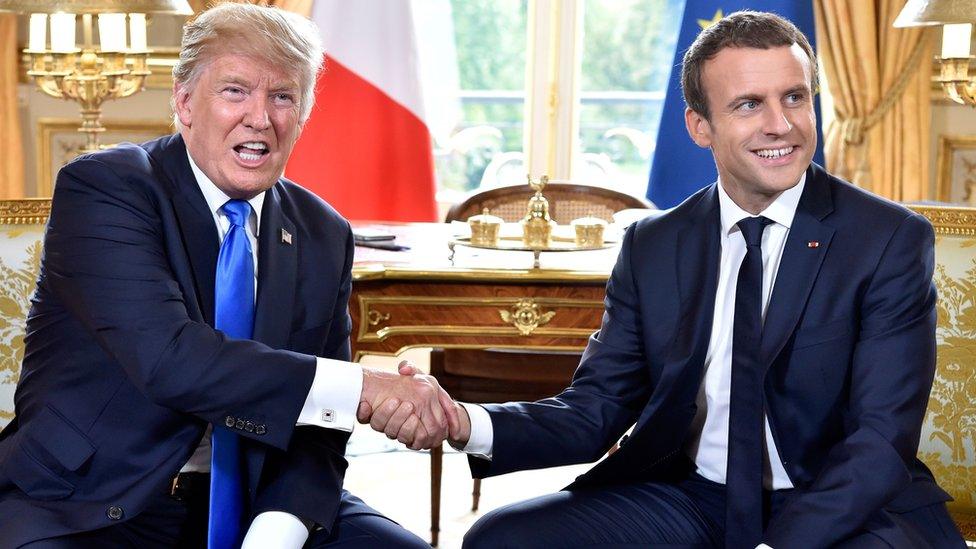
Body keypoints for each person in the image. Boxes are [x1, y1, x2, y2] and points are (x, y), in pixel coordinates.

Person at [373, 10, 965, 549]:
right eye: (749, 104)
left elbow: (880, 442)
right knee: (501, 540)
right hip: (694, 496)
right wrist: (463, 421)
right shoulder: (654, 245)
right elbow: (597, 409)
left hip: (844, 506)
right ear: (700, 126)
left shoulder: (886, 239)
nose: (781, 124)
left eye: (795, 97)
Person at [0, 3, 454, 548]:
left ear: (304, 113)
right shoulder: (108, 189)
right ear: (185, 102)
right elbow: (172, 361)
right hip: (94, 501)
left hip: (264, 494)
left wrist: (276, 530)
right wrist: (365, 387)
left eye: (283, 96)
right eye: (235, 91)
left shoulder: (322, 231)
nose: (260, 117)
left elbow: (320, 428)